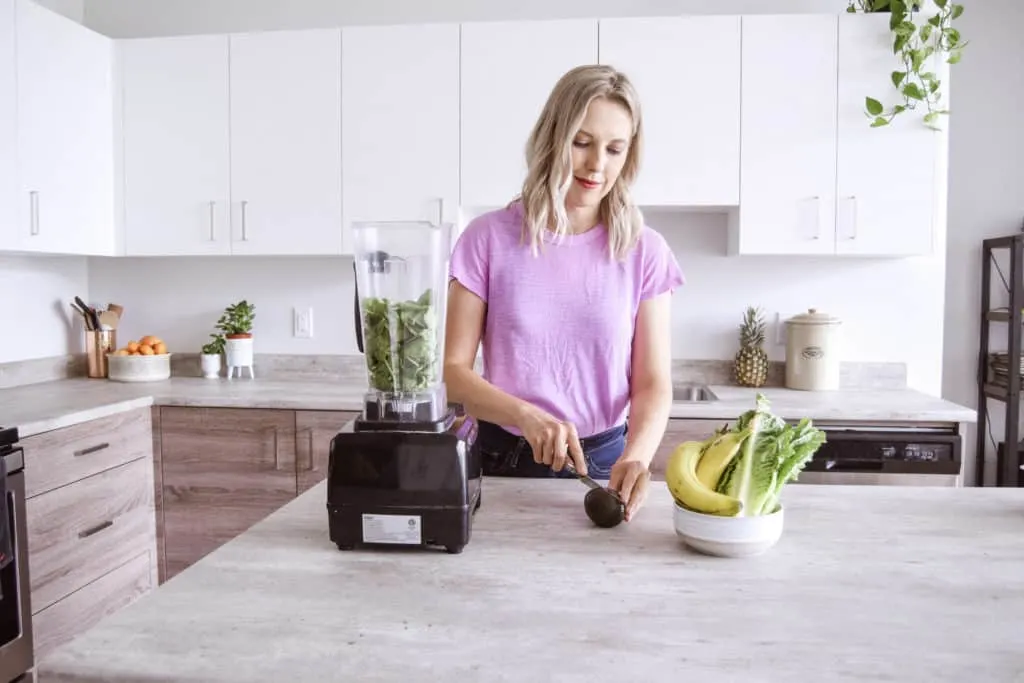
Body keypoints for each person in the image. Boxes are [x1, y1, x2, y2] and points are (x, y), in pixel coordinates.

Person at [442, 64, 685, 522]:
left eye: (615, 149)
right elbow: (453, 374)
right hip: (501, 459)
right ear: (554, 138)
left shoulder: (644, 250)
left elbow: (652, 382)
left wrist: (638, 455)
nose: (598, 165)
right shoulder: (486, 239)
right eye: (582, 142)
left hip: (605, 465)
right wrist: (526, 415)